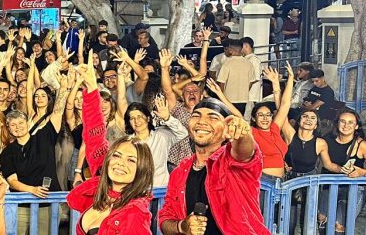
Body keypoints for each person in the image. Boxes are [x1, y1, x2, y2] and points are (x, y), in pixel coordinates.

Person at [158, 98, 269, 235]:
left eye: (213, 117)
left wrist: (242, 135)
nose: (202, 121)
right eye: (196, 116)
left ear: (226, 129)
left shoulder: (231, 160)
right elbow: (165, 220)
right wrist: (182, 226)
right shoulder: (179, 172)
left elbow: (244, 153)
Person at [69, 64, 155, 234]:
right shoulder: (102, 187)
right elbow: (94, 136)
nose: (120, 163)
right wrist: (93, 90)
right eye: (117, 156)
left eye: (131, 160)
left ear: (142, 170)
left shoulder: (134, 213)